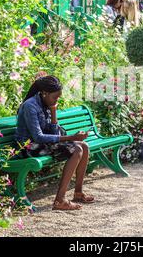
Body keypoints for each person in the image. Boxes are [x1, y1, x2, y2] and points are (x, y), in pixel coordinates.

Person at [14, 76, 95, 210]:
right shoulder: (30, 106)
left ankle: (78, 193)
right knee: (77, 150)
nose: (57, 100)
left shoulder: (46, 104)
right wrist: (71, 137)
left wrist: (53, 112)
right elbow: (38, 137)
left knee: (84, 146)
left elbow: (54, 134)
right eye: (55, 97)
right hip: (27, 147)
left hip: (40, 144)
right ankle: (60, 200)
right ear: (44, 93)